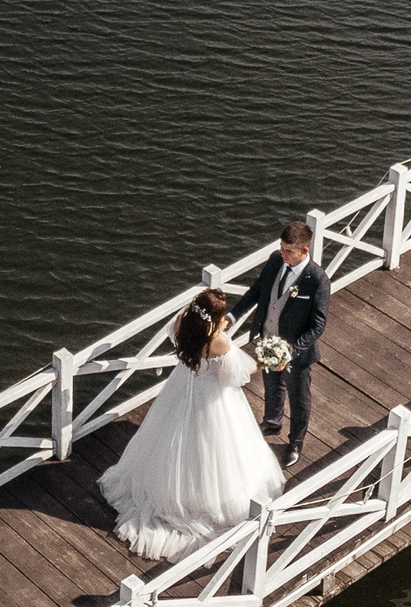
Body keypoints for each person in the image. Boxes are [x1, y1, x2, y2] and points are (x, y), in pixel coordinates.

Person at [98, 290, 286, 561]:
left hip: (183, 384)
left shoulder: (181, 322)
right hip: (211, 399)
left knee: (170, 439)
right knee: (214, 451)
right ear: (216, 317)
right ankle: (200, 504)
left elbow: (179, 338)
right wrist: (266, 362)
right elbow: (234, 376)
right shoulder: (217, 342)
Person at [238, 219, 328, 468]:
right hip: (268, 340)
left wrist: (291, 352)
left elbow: (318, 325)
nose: (283, 253)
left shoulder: (317, 279)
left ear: (304, 251)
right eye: (282, 247)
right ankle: (272, 422)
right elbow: (257, 291)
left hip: (295, 354)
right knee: (272, 386)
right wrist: (233, 315)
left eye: (289, 250)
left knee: (299, 398)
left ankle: (296, 441)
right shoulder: (276, 260)